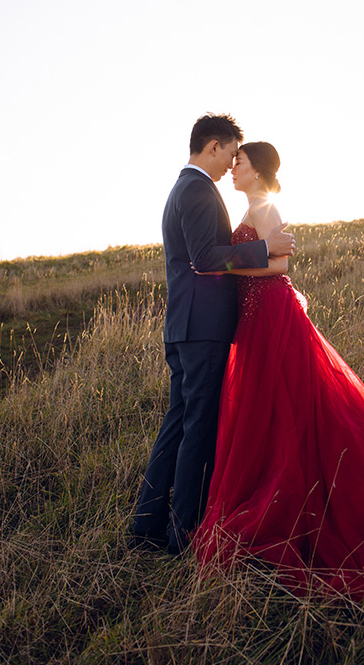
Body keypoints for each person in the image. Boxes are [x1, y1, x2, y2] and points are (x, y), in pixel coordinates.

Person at [188, 142, 364, 612]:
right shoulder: (250, 210)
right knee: (270, 406)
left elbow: (280, 266)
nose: (233, 168)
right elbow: (263, 258)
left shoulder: (265, 208)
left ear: (256, 170)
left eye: (239, 162)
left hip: (273, 316)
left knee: (291, 404)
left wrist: (233, 260)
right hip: (255, 319)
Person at [130, 113, 296, 554]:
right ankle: (182, 534)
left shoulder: (182, 188)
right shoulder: (199, 190)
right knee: (198, 429)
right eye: (229, 155)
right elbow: (205, 258)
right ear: (214, 147)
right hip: (202, 330)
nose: (229, 167)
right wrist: (264, 249)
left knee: (177, 426)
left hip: (184, 327)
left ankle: (146, 523)